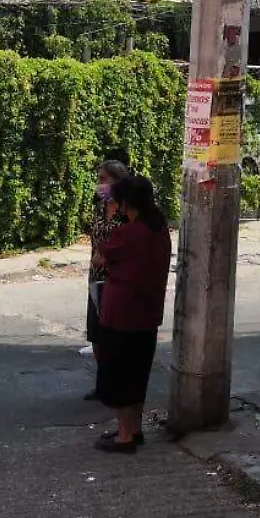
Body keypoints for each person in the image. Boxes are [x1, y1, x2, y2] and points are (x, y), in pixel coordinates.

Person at [91, 174, 172, 453]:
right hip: (147, 313)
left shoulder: (127, 233)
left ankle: (125, 436)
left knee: (119, 376)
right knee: (138, 374)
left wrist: (112, 218)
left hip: (122, 313)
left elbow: (100, 256)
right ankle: (134, 430)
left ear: (125, 203)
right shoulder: (159, 228)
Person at [83, 159, 131, 400]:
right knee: (96, 334)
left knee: (115, 335)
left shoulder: (127, 212)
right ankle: (103, 383)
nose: (99, 185)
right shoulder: (100, 206)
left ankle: (117, 384)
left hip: (117, 281)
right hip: (96, 278)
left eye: (103, 179)